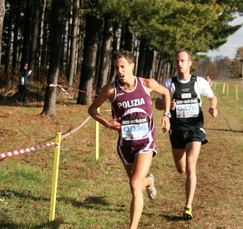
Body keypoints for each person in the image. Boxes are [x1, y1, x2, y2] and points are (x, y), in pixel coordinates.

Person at [88, 50, 171, 229]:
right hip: (125, 144)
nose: (120, 70)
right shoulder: (111, 90)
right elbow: (92, 110)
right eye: (116, 67)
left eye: (123, 66)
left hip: (145, 142)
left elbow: (165, 93)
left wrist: (166, 114)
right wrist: (107, 123)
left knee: (134, 184)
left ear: (132, 66)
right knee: (138, 186)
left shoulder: (147, 84)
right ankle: (150, 181)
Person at [155, 49, 218, 220]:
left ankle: (188, 206)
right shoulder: (169, 83)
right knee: (181, 169)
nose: (180, 64)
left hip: (195, 129)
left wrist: (213, 107)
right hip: (177, 130)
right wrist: (169, 107)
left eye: (183, 61)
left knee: (191, 166)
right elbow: (158, 104)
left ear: (190, 63)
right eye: (177, 61)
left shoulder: (199, 82)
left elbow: (212, 97)